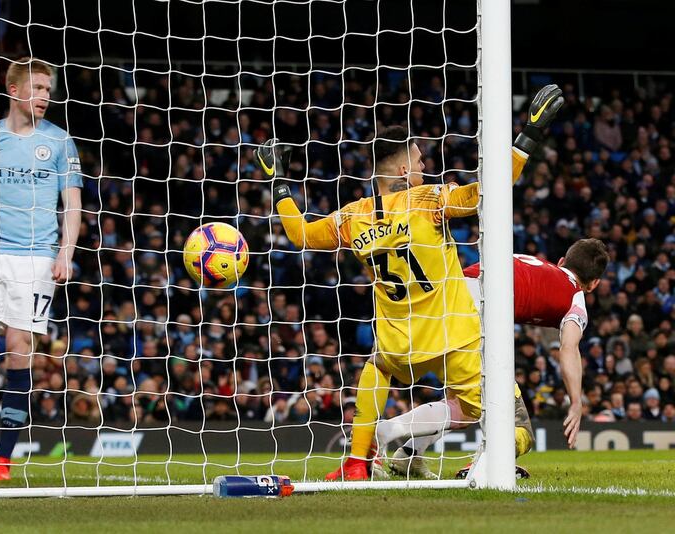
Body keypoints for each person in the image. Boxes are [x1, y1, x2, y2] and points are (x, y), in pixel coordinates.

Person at [255, 86, 561, 481]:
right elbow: (489, 190)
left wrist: (279, 181)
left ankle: (357, 462)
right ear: (403, 171)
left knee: (376, 369)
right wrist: (528, 138)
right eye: (419, 159)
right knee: (519, 429)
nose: (423, 166)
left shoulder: (353, 218)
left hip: (400, 345)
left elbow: (300, 234)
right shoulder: (430, 201)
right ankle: (483, 464)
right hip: (456, 341)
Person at [379, 238, 608, 478]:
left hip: (439, 301)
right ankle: (387, 433)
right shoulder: (575, 297)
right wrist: (576, 403)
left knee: (464, 405)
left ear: (562, 261)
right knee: (520, 430)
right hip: (469, 317)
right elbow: (569, 348)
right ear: (593, 284)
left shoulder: (533, 263)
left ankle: (409, 455)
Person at [0, 57, 82, 481]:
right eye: (39, 88)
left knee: (19, 350)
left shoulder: (60, 142)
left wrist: (65, 252)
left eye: (48, 89)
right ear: (14, 90)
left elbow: (73, 203)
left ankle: (4, 457)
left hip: (35, 257)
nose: (46, 96)